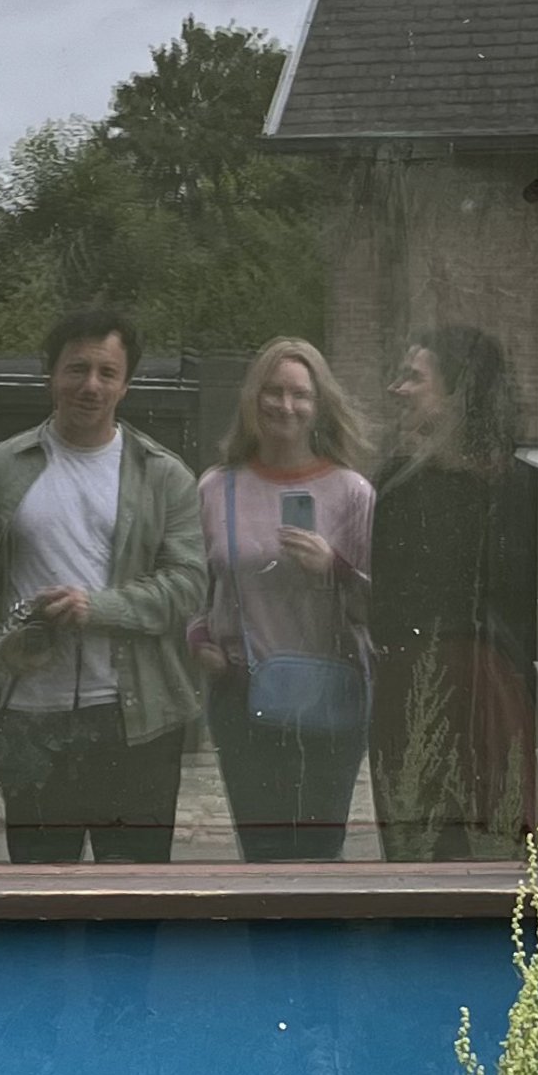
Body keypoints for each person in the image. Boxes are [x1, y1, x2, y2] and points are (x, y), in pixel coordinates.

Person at [0, 305, 206, 863]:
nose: (91, 385)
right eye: (77, 369)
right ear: (50, 373)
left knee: (133, 897)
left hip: (136, 718)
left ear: (126, 384)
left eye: (107, 372)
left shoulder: (165, 476)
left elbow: (188, 585)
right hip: (30, 716)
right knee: (40, 894)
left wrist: (98, 608)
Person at [368, 323, 538, 861]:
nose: (397, 389)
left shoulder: (524, 488)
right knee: (416, 850)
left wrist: (500, 657)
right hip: (408, 698)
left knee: (500, 852)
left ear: (460, 391)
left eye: (414, 377)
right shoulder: (396, 485)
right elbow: (382, 600)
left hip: (489, 701)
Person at [191, 336, 375, 863]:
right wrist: (198, 640)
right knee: (262, 854)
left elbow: (382, 605)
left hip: (329, 692)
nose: (285, 405)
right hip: (241, 692)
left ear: (320, 406)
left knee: (320, 853)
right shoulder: (216, 488)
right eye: (273, 391)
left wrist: (333, 567)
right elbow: (194, 586)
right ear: (253, 398)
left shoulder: (352, 492)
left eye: (300, 394)